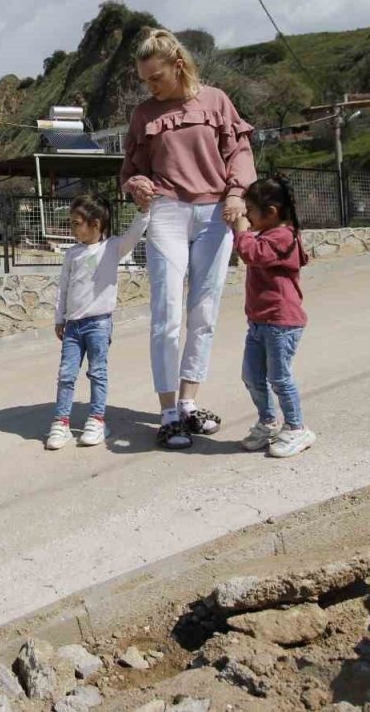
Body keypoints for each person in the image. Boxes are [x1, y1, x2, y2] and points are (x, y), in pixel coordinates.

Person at [120, 28, 257, 450]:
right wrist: (137, 184)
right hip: (167, 211)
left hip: (215, 213)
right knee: (167, 312)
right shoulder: (144, 114)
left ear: (178, 65)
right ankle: (166, 414)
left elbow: (240, 152)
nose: (150, 86)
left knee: (205, 311)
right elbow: (131, 168)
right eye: (145, 79)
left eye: (155, 77)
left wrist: (236, 192)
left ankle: (187, 405)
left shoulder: (216, 100)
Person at [48, 195, 151, 450]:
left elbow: (135, 233)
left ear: (95, 224)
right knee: (66, 375)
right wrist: (59, 318)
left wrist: (144, 210)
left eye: (76, 223)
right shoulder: (72, 254)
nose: (71, 228)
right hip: (73, 326)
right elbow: (63, 288)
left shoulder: (113, 247)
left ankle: (97, 420)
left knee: (98, 372)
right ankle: (61, 422)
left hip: (99, 324)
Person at [233, 175, 315, 458]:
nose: (247, 216)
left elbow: (251, 254)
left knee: (279, 377)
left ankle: (296, 428)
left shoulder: (282, 236)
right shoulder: (270, 235)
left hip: (281, 323)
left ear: (271, 213)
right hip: (259, 322)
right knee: (253, 375)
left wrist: (240, 230)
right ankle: (268, 421)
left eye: (251, 211)